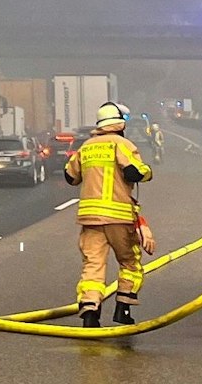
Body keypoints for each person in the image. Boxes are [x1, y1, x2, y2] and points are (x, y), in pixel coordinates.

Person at [64, 101, 154, 327]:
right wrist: (146, 172)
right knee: (130, 262)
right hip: (119, 218)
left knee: (93, 265)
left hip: (90, 219)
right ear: (120, 124)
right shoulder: (121, 144)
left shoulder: (86, 147)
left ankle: (90, 314)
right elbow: (136, 171)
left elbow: (70, 176)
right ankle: (122, 310)